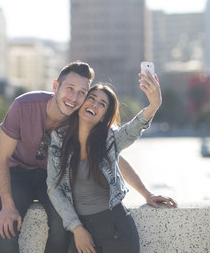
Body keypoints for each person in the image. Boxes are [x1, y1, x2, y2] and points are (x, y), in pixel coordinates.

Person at [0, 60, 176, 253]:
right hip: (20, 175)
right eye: (70, 89)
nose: (74, 97)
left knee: (61, 228)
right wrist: (7, 205)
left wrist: (146, 193)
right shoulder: (26, 107)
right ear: (55, 86)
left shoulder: (81, 117)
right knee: (7, 227)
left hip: (68, 190)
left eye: (82, 93)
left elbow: (116, 155)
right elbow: (1, 158)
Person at [47, 69, 163, 253]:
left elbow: (132, 130)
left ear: (104, 116)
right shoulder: (59, 139)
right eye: (91, 98)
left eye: (102, 104)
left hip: (116, 227)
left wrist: (154, 105)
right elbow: (54, 188)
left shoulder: (110, 140)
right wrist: (77, 228)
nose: (94, 104)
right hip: (80, 229)